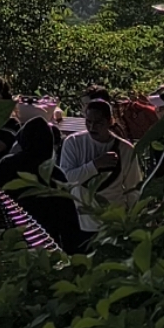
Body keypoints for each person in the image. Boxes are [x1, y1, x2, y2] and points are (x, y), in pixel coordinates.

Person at [0, 116, 86, 252]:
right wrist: (72, 251)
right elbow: (68, 220)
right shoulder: (54, 173)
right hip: (45, 241)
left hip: (11, 235)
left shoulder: (7, 165)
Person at [60, 98, 143, 234]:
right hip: (82, 221)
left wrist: (133, 219)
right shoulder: (73, 143)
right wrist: (95, 165)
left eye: (98, 123)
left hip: (113, 222)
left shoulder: (126, 150)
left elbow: (133, 188)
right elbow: (67, 180)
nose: (92, 127)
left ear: (110, 121)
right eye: (88, 122)